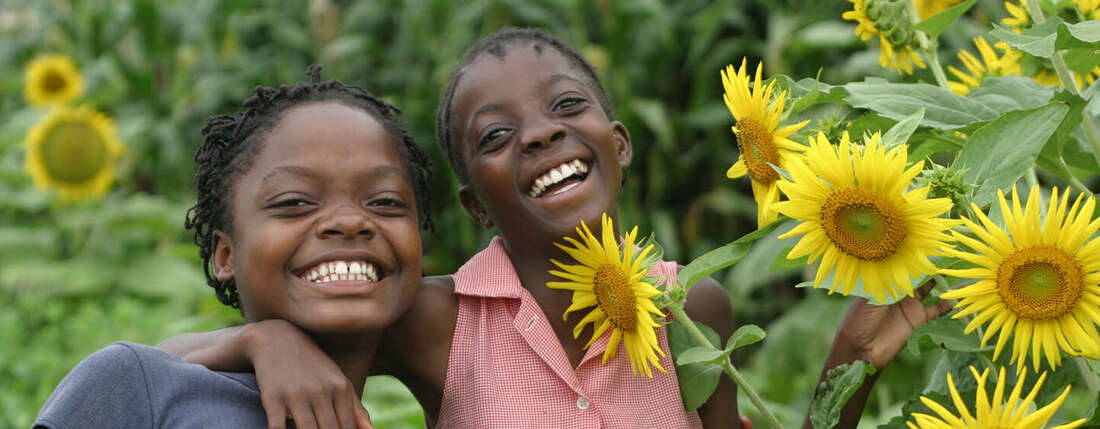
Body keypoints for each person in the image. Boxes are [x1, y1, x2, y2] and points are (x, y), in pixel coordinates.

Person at [162, 28, 950, 429]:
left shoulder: (691, 310)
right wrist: (265, 340)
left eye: (568, 108)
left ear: (620, 143)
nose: (539, 135)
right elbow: (152, 370)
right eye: (496, 138)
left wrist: (853, 362)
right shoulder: (437, 323)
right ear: (476, 206)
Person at [33, 66, 433, 429]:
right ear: (225, 255)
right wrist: (257, 338)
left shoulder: (454, 345)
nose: (349, 221)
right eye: (295, 202)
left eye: (385, 202)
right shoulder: (143, 387)